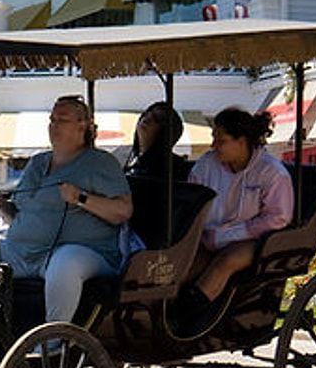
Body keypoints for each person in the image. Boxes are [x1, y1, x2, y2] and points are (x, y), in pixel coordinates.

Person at [0, 95, 133, 323]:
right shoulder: (37, 163)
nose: (53, 126)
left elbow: (123, 211)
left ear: (82, 126)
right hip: (23, 252)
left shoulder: (100, 162)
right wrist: (0, 205)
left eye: (62, 120)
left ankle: (54, 341)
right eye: (52, 120)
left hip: (81, 251)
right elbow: (20, 217)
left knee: (65, 265)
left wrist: (81, 198)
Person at [175, 107, 294, 335]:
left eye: (221, 140)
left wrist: (234, 234)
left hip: (255, 239)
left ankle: (191, 317)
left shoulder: (272, 173)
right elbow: (191, 200)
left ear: (242, 141)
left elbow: (277, 218)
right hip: (209, 235)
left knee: (226, 261)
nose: (213, 146)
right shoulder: (207, 165)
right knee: (187, 264)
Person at [124, 101, 190, 180]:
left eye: (157, 118)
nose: (147, 118)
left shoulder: (172, 169)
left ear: (165, 133)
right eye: (146, 113)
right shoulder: (126, 156)